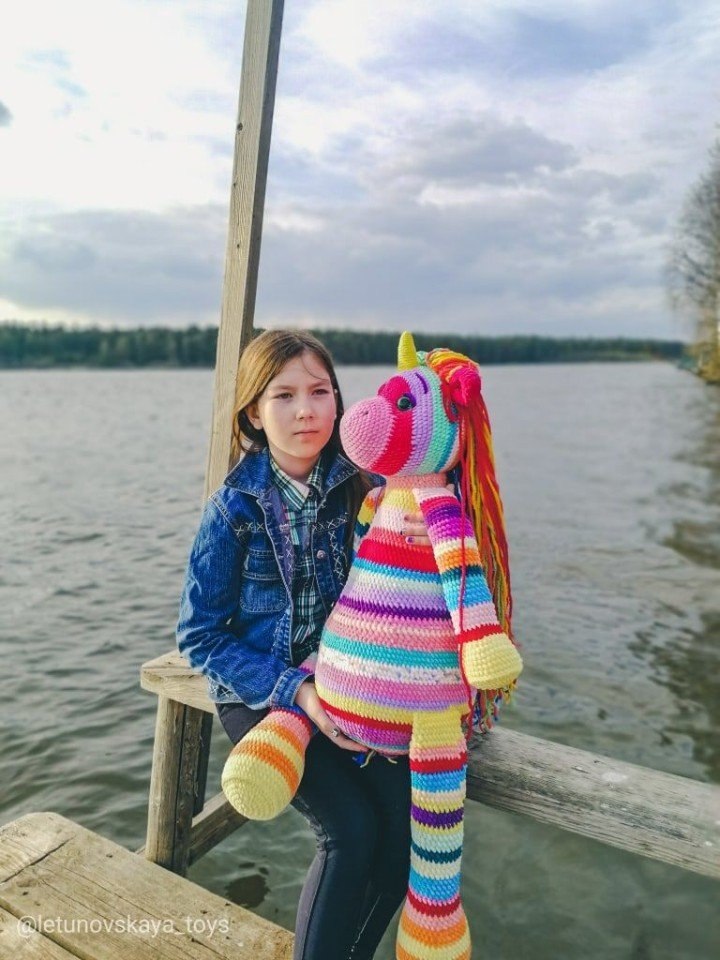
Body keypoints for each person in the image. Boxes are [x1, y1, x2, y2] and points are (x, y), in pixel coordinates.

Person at [176, 329, 437, 960]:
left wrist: (433, 531)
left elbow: (407, 575)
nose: (305, 411)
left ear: (339, 401)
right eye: (284, 395)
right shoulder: (233, 509)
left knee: (404, 839)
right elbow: (199, 636)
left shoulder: (366, 487)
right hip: (264, 694)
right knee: (348, 831)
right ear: (253, 412)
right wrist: (300, 693)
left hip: (351, 686)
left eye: (320, 392)